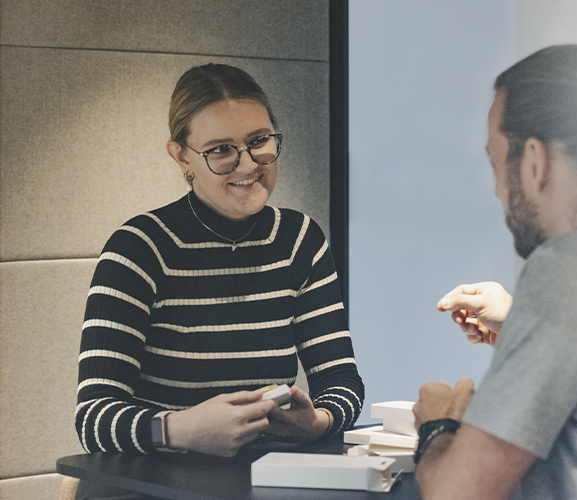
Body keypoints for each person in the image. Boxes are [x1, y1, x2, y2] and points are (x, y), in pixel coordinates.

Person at [75, 64, 364, 462]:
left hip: (259, 478)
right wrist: (180, 430)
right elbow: (93, 419)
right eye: (221, 150)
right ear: (181, 158)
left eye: (259, 141)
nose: (247, 165)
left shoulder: (299, 240)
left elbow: (342, 382)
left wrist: (320, 421)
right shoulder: (140, 248)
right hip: (152, 484)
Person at [412, 45, 577, 499]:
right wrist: (525, 322)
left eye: (497, 163)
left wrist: (439, 425)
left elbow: (458, 494)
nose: (498, 192)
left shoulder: (568, 269)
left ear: (535, 161)